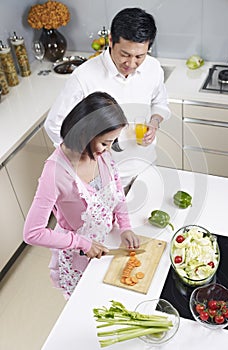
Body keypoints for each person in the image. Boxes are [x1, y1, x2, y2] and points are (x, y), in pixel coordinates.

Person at [24, 92, 140, 299]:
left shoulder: (100, 154)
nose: (108, 149)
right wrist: (82, 243)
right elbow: (32, 233)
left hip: (109, 242)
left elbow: (117, 191)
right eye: (105, 143)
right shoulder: (54, 172)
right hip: (79, 255)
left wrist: (125, 226)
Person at [44, 7, 171, 189]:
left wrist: (155, 122)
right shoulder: (84, 77)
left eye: (139, 56)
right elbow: (54, 125)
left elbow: (160, 103)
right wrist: (84, 159)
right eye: (125, 54)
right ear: (111, 40)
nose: (131, 63)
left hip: (146, 166)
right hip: (105, 179)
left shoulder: (153, 68)